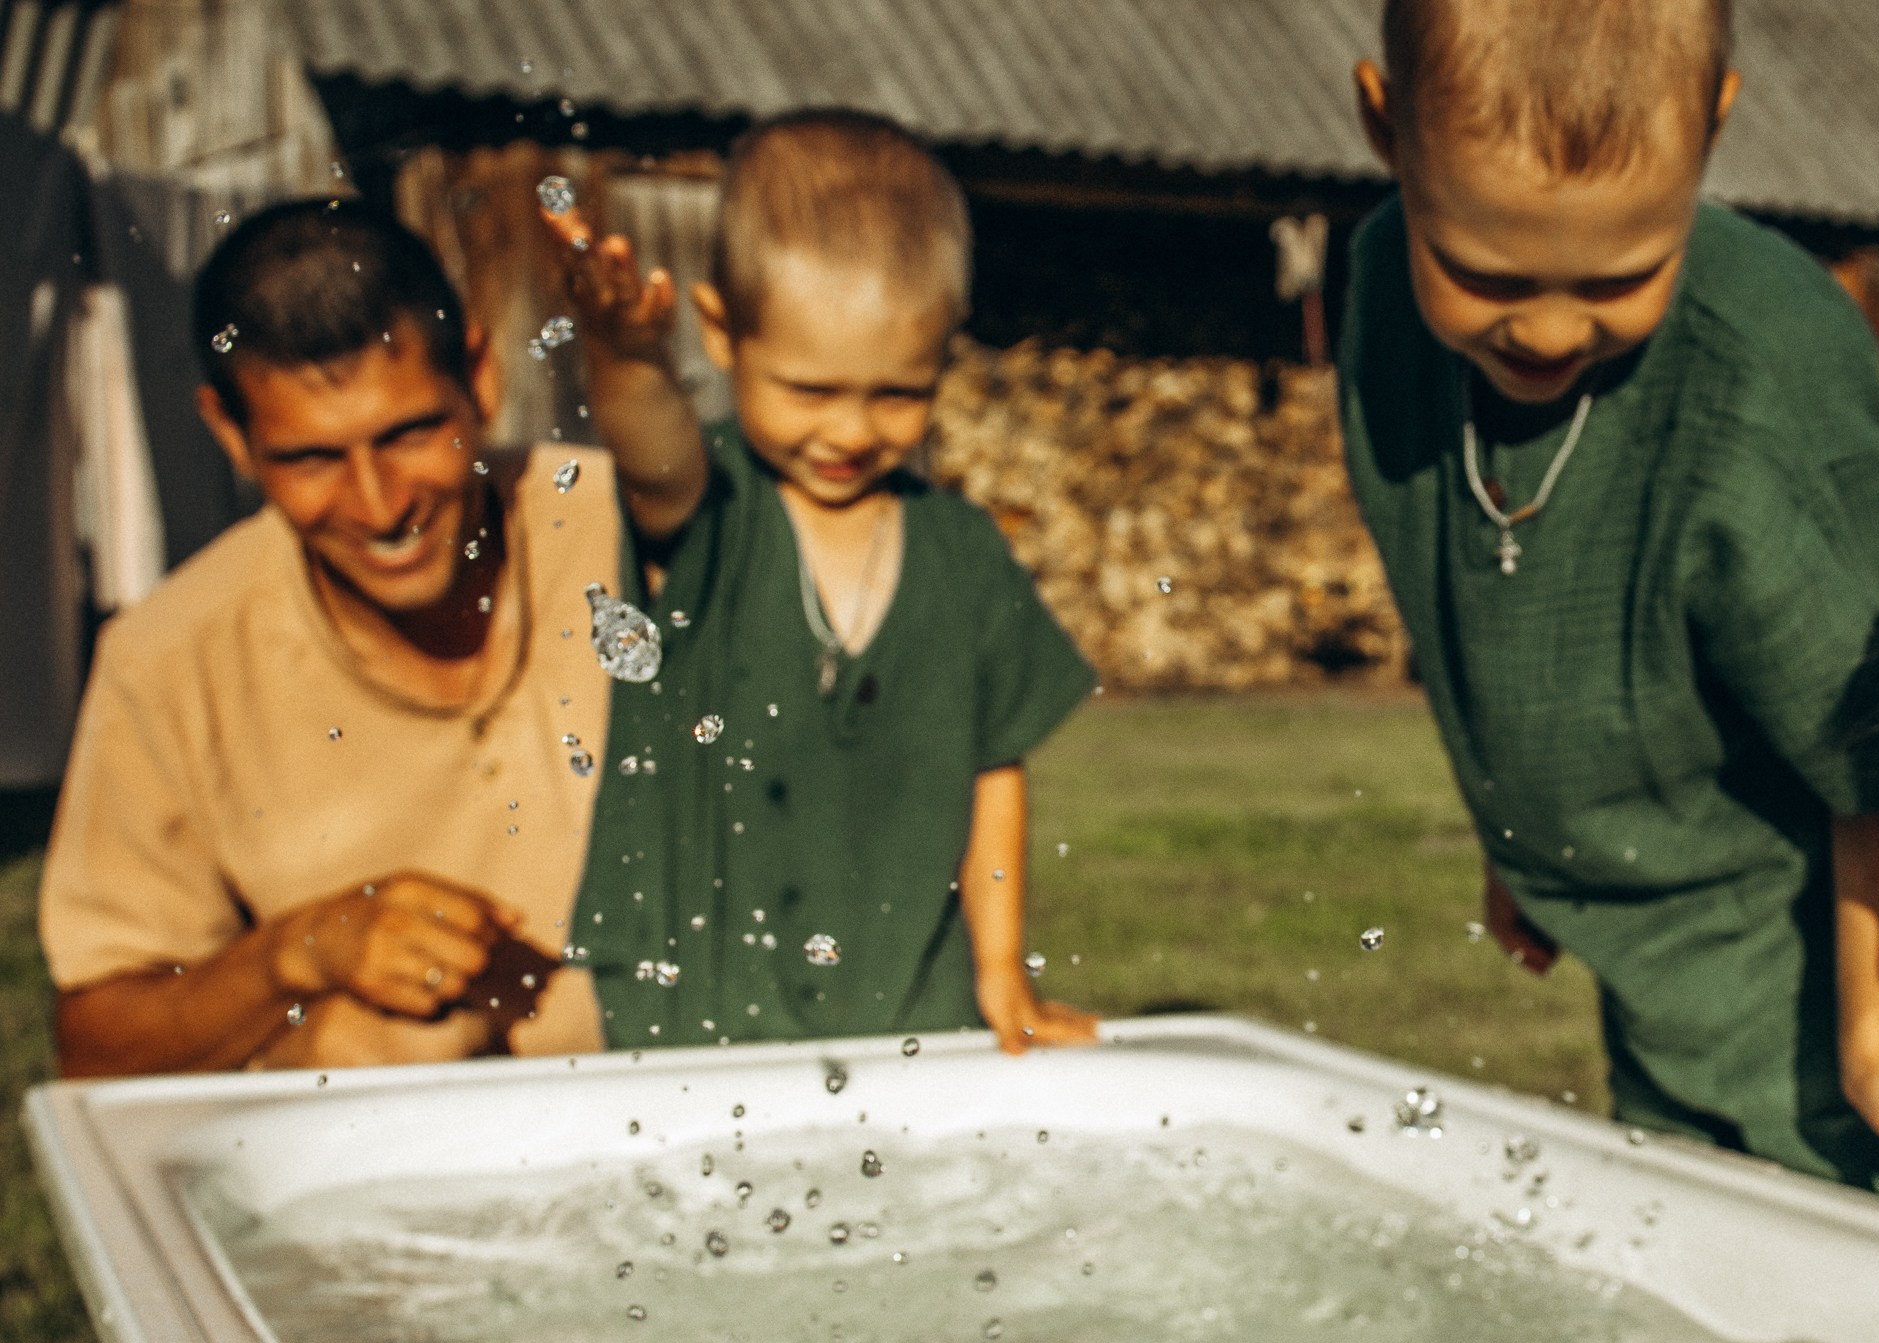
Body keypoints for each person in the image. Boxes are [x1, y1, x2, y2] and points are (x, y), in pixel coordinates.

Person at [1337, 0, 1879, 1222]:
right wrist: (1519, 826)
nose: (1552, 328)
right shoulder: (1379, 301)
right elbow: (1480, 582)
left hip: (1870, 954)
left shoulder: (1757, 375)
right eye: (1485, 275)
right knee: (1695, 1273)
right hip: (1667, 934)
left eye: (1622, 277)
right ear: (1384, 127)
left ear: (1711, 132)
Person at [547, 110, 1098, 1051]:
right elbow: (649, 449)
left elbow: (992, 771)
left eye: (896, 394)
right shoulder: (712, 509)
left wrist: (1003, 973)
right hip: (699, 1014)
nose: (849, 433)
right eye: (809, 391)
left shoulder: (961, 552)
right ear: (721, 332)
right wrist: (627, 357)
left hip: (916, 1005)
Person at [41, 199, 618, 1075]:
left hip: (695, 1102)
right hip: (387, 1159)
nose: (381, 505)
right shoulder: (166, 659)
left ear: (480, 376)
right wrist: (298, 951)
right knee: (370, 1045)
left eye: (410, 433)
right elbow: (96, 1046)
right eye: (311, 458)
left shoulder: (628, 531)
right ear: (231, 435)